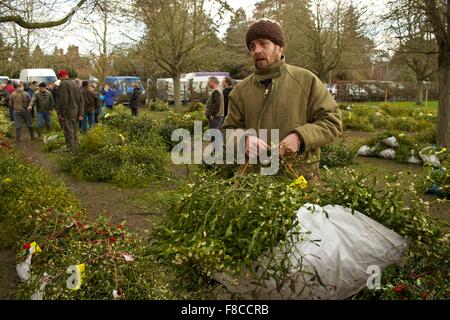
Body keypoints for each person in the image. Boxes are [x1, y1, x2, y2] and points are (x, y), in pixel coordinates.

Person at [222, 19, 342, 178]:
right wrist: (243, 140)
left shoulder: (306, 81)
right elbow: (228, 130)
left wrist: (300, 137)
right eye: (252, 46)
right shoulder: (240, 91)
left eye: (263, 44)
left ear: (280, 47)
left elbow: (332, 121)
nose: (257, 50)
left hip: (297, 180)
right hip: (252, 182)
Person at [56, 69, 84, 150]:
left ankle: (71, 149)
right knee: (75, 130)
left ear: (60, 77)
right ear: (67, 75)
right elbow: (81, 100)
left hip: (68, 111)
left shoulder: (63, 84)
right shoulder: (75, 83)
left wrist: (61, 113)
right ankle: (76, 147)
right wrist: (81, 113)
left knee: (68, 131)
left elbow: (63, 100)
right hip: (76, 111)